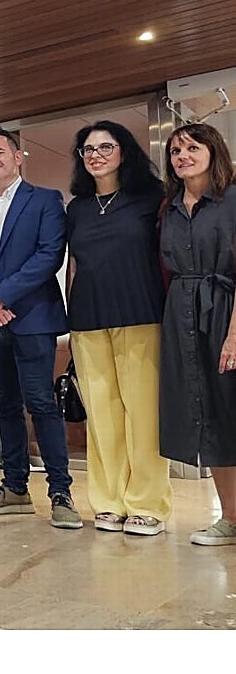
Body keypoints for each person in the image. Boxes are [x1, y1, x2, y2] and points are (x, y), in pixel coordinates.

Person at [0, 126, 81, 529]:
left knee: (41, 404)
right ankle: (15, 488)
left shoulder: (45, 200)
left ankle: (61, 493)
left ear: (17, 157)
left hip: (32, 318)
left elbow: (49, 255)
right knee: (5, 406)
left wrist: (1, 296)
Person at [66, 122, 170, 535]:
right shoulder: (77, 208)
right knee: (102, 416)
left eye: (105, 147)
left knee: (143, 414)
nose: (96, 155)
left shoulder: (152, 196)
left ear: (124, 151)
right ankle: (108, 501)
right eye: (88, 149)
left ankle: (147, 504)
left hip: (141, 313)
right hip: (88, 319)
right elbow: (74, 265)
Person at [160, 122, 236, 546]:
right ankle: (231, 518)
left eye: (192, 148)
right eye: (175, 151)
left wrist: (234, 334)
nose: (183, 156)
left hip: (225, 309)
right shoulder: (169, 207)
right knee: (208, 416)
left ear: (213, 151)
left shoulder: (232, 199)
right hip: (182, 315)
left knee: (231, 408)